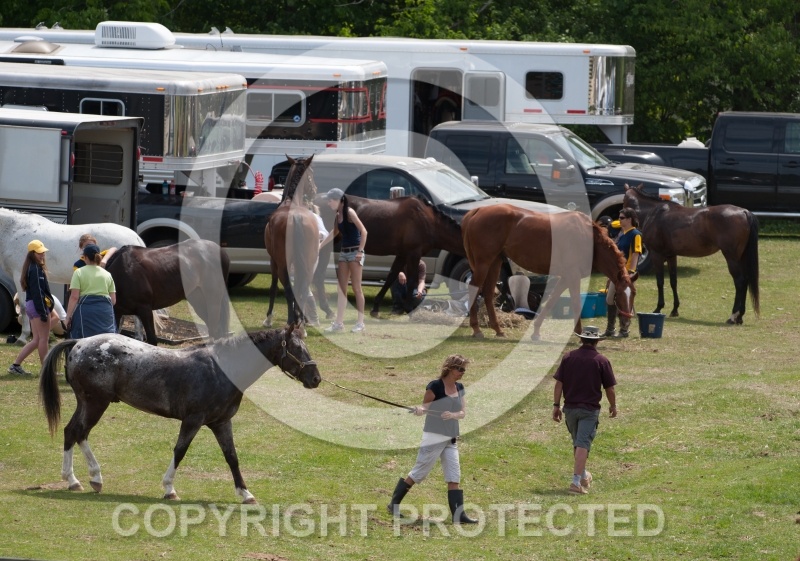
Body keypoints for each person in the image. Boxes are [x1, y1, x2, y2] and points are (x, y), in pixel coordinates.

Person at [387, 354, 478, 524]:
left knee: (454, 476)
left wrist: (453, 415)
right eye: (460, 369)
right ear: (450, 368)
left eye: (464, 369)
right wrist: (419, 410)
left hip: (451, 438)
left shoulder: (459, 387)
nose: (462, 372)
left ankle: (459, 515)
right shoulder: (435, 386)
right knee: (419, 472)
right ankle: (394, 504)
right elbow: (425, 407)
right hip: (434, 436)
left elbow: (462, 413)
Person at [552, 326, 618, 494]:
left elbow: (559, 383)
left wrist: (556, 405)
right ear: (597, 341)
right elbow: (609, 388)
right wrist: (613, 405)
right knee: (582, 444)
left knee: (578, 443)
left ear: (581, 339)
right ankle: (575, 482)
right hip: (589, 410)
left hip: (570, 409)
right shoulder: (601, 360)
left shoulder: (568, 357)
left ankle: (583, 475)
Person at [319, 188, 368, 333]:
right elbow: (334, 232)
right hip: (344, 253)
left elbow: (364, 231)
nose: (328, 203)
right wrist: (320, 246)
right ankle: (339, 323)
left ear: (339, 200)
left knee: (357, 288)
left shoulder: (350, 212)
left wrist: (360, 251)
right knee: (341, 289)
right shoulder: (338, 215)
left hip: (355, 252)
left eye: (330, 200)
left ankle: (360, 323)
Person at [8, 240, 55, 376]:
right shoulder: (35, 269)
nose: (42, 255)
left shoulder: (30, 267)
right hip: (37, 305)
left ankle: (15, 365)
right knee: (43, 339)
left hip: (31, 305)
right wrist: (43, 312)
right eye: (39, 253)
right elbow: (37, 292)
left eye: (43, 252)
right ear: (32, 253)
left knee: (36, 340)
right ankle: (46, 371)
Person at [603, 208, 642, 338]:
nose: (619, 220)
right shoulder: (622, 233)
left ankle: (624, 329)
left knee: (624, 301)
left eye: (622, 218)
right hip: (617, 274)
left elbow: (636, 254)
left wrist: (631, 272)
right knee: (610, 299)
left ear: (629, 219)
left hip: (627, 274)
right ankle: (610, 329)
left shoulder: (636, 234)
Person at [66, 244, 117, 338]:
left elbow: (74, 297)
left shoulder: (79, 272)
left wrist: (68, 317)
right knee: (107, 340)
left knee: (82, 341)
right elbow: (113, 301)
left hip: (86, 312)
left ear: (85, 257)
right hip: (106, 312)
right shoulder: (107, 274)